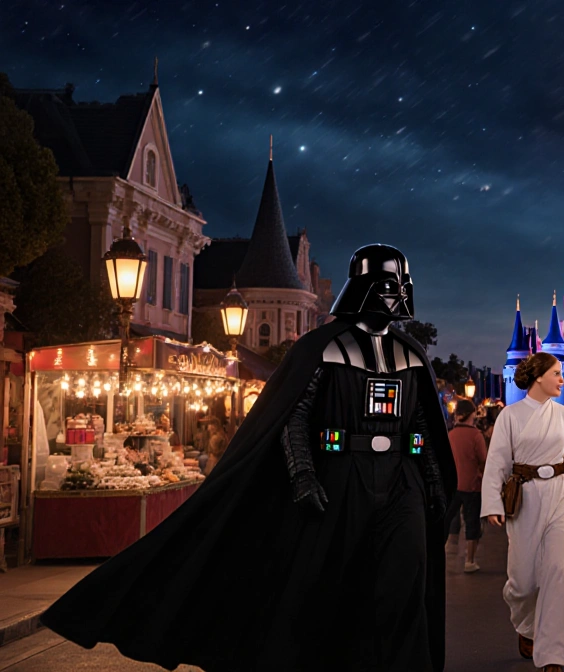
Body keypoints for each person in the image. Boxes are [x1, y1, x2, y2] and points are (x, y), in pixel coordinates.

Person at [42, 244, 458, 671]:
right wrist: (302, 475)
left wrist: (432, 482)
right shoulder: (321, 348)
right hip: (340, 474)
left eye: (402, 284)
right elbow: (293, 415)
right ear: (366, 288)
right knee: (332, 584)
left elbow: (424, 426)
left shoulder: (410, 354)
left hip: (401, 479)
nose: (399, 294)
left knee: (403, 581)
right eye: (390, 284)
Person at [481, 353, 564, 672]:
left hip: (559, 495)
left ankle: (554, 653)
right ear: (538, 377)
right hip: (524, 497)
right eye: (556, 373)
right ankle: (526, 625)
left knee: (558, 573)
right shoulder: (510, 416)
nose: (562, 379)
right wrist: (492, 503)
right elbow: (497, 463)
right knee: (523, 580)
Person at [448, 399, 489, 573]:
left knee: (451, 517)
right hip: (473, 485)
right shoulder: (475, 435)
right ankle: (470, 560)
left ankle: (448, 551)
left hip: (454, 484)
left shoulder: (451, 435)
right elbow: (484, 460)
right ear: (472, 414)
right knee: (473, 522)